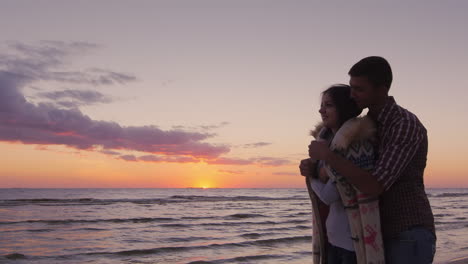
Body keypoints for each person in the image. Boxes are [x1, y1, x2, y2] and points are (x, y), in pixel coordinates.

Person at [306, 56, 436, 264]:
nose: (351, 94)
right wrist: (315, 168)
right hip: (376, 233)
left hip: (407, 232)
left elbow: (374, 185)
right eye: (351, 87)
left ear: (382, 89)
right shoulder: (362, 127)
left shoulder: (404, 124)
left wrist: (328, 157)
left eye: (359, 89)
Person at [301, 84, 380, 264]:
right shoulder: (328, 142)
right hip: (334, 240)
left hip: (352, 244)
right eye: (322, 105)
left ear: (343, 107)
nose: (321, 110)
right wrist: (315, 170)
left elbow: (328, 196)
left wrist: (312, 175)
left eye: (328, 105)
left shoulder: (356, 145)